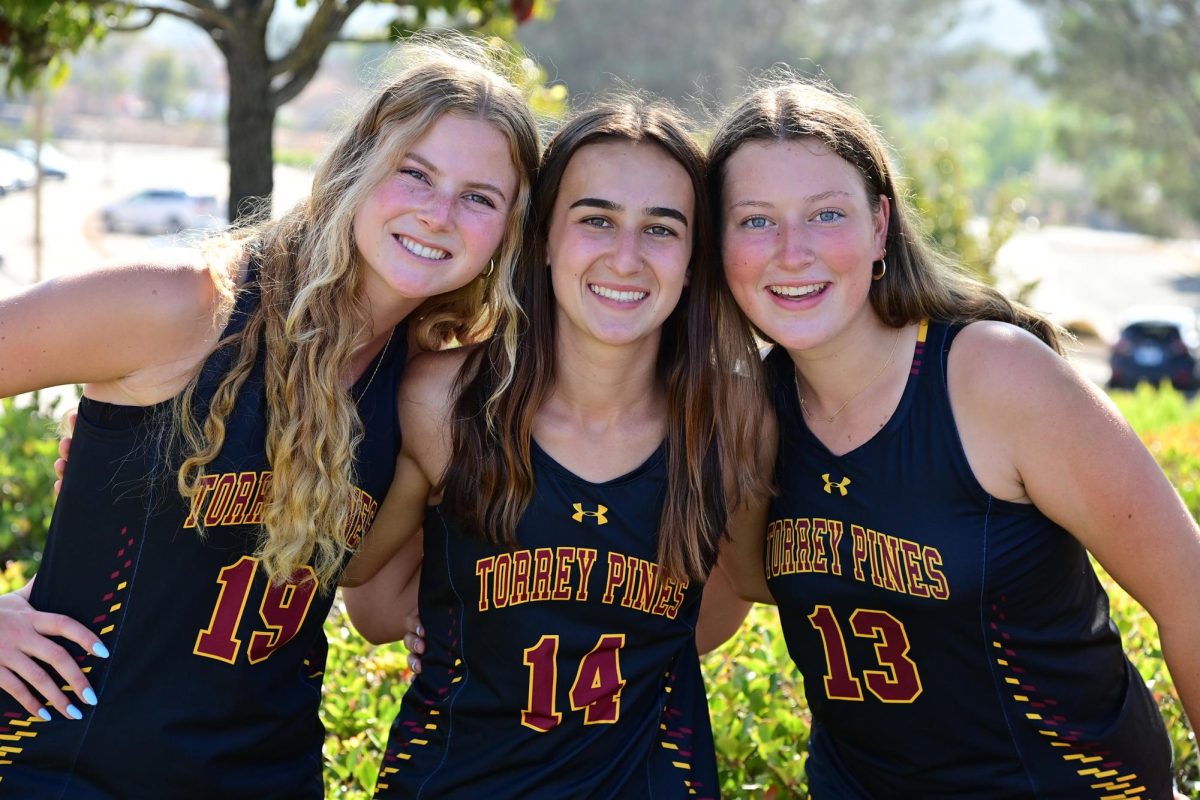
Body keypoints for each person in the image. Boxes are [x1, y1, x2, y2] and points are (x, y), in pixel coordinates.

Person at [0, 37, 539, 798]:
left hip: (269, 775)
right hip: (67, 765)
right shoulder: (184, 305)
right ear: (357, 168)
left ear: (509, 236)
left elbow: (373, 603)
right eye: (413, 173)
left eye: (479, 197)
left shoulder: (421, 384)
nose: (439, 213)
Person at [709, 77, 1200, 798]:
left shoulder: (993, 375)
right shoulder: (747, 410)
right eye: (755, 221)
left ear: (879, 227)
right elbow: (740, 585)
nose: (792, 250)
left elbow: (1187, 589)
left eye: (826, 215)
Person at [339, 96, 771, 798]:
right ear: (542, 237)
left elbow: (719, 605)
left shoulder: (731, 417)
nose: (624, 258)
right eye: (595, 219)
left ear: (695, 260)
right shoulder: (444, 400)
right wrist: (454, 624)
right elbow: (369, 592)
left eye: (661, 229)